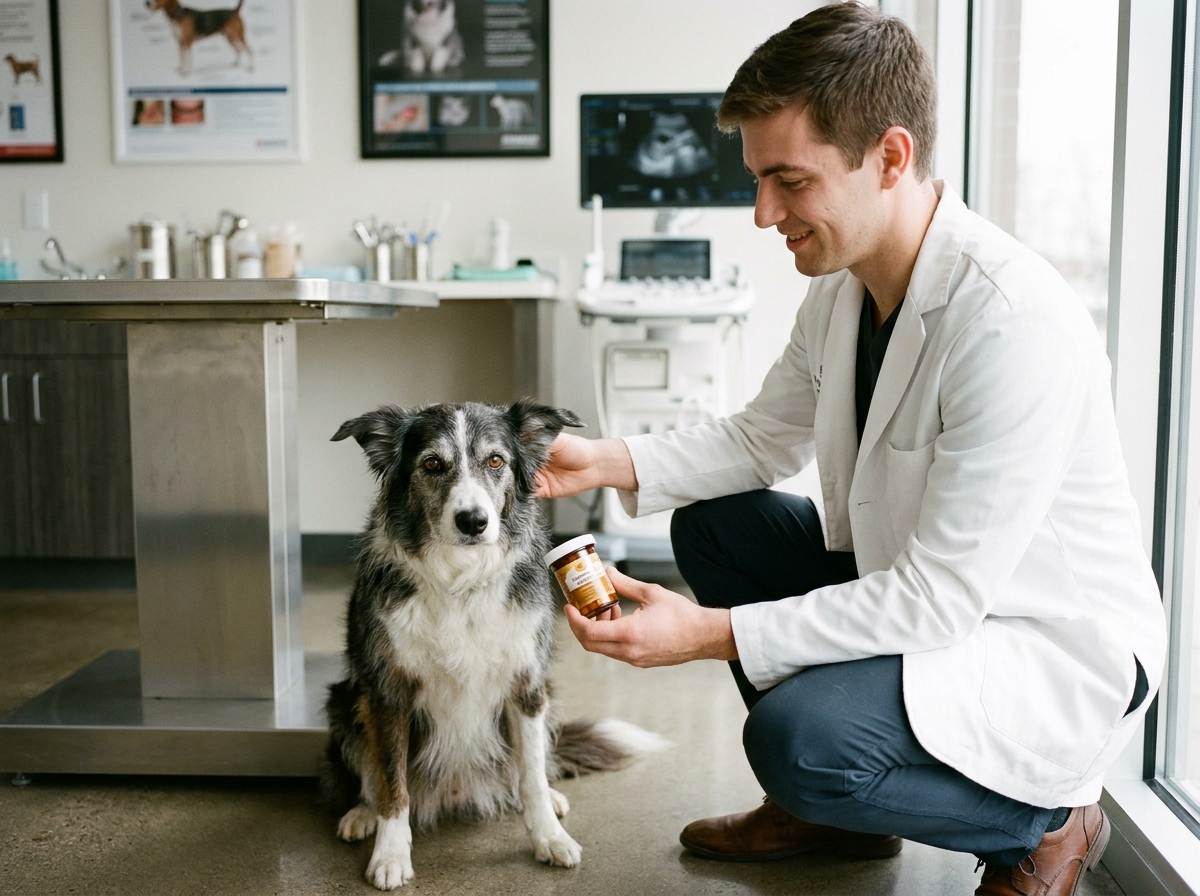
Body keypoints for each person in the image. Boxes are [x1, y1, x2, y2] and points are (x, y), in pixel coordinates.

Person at [535, 4, 1166, 895]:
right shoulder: (841, 293)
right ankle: (835, 822)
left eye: (788, 181)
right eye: (758, 179)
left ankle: (1048, 821)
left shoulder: (1009, 322)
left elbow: (940, 598)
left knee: (797, 742)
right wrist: (599, 459)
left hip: (1037, 641)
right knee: (716, 529)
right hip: (926, 595)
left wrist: (708, 634)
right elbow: (760, 440)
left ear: (891, 157)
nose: (763, 213)